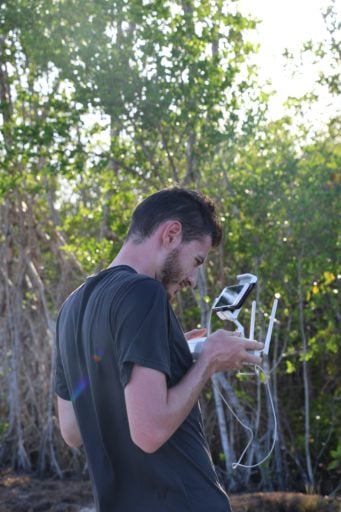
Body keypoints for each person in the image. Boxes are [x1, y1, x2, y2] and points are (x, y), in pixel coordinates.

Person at [55, 188, 263, 512]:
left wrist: (172, 351)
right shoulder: (143, 292)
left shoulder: (71, 307)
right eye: (196, 261)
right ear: (171, 233)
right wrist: (208, 359)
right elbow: (149, 433)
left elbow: (71, 431)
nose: (193, 280)